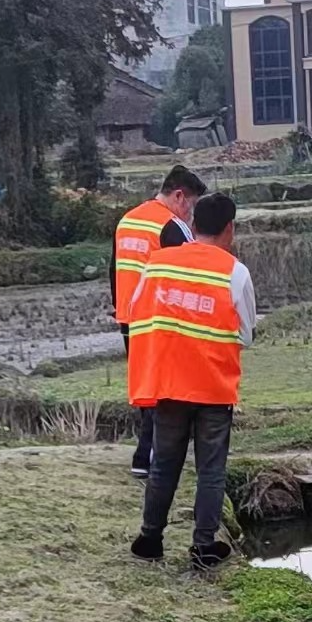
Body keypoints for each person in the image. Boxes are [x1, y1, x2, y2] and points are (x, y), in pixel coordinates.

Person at [127, 192, 256, 570]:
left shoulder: (157, 265)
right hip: (213, 388)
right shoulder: (235, 271)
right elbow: (246, 333)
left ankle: (150, 539)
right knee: (211, 469)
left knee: (164, 464)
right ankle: (203, 546)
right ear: (229, 228)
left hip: (168, 383)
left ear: (193, 223)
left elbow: (137, 311)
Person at [111, 164, 207, 477]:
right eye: (190, 205)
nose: (190, 214)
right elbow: (193, 273)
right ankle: (149, 458)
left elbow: (115, 270)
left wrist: (118, 308)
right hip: (160, 320)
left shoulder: (127, 220)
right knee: (164, 390)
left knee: (145, 388)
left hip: (129, 316)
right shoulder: (171, 226)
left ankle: (146, 455)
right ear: (179, 195)